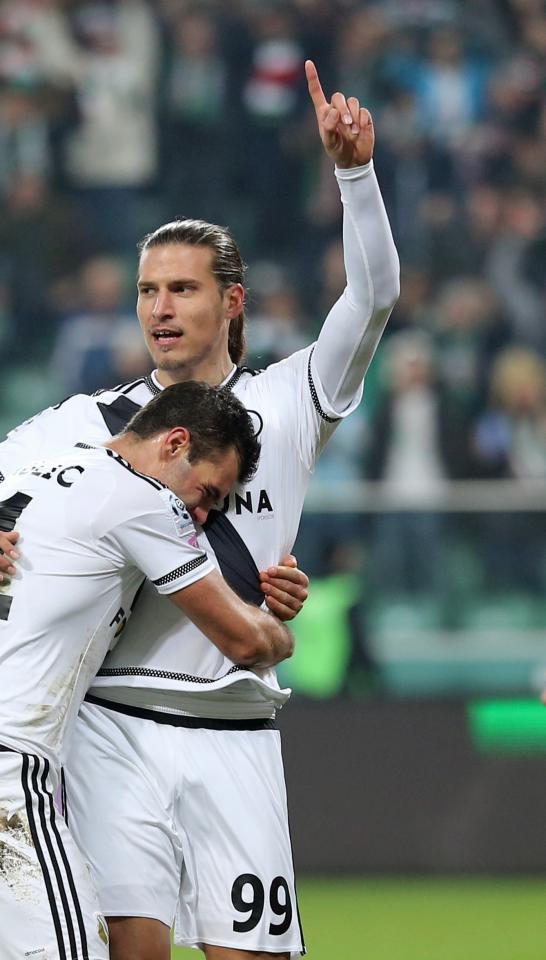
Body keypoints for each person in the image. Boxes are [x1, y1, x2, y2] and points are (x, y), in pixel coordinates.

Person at [0, 60, 399, 960]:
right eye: (147, 290)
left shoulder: (287, 404)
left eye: (181, 288)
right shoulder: (86, 424)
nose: (161, 308)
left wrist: (356, 177)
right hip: (109, 727)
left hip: (238, 732)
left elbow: (373, 299)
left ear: (232, 301)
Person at [0, 381, 295, 960]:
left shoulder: (36, 466)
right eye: (207, 492)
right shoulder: (140, 498)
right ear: (174, 442)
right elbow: (244, 639)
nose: (205, 514)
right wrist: (280, 627)